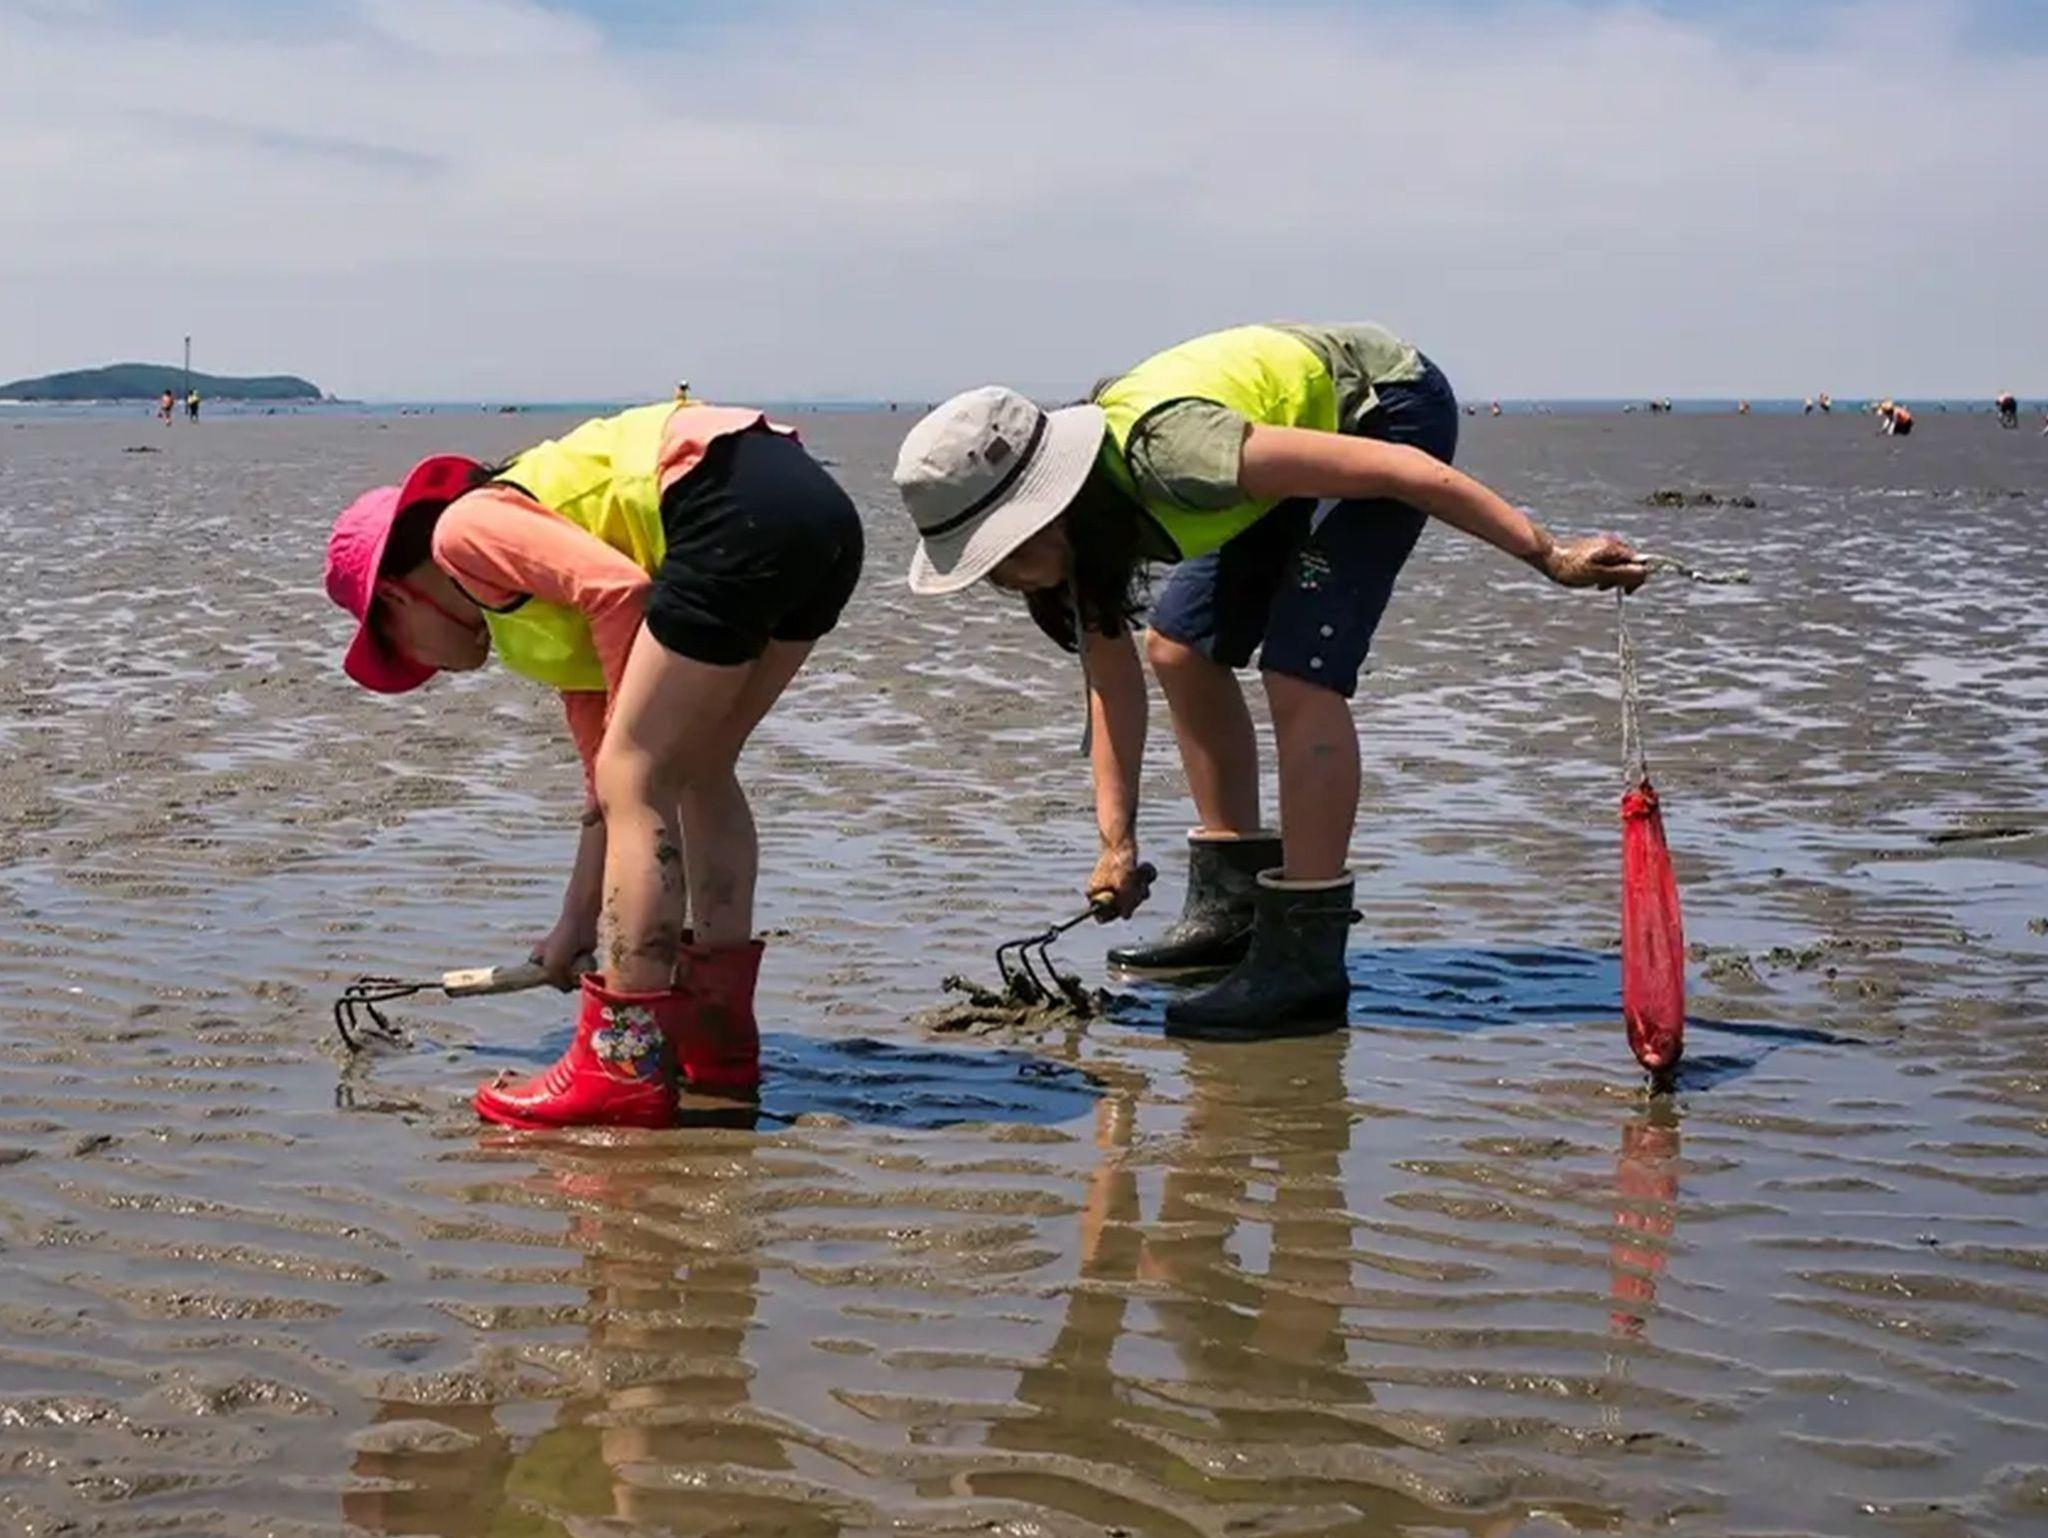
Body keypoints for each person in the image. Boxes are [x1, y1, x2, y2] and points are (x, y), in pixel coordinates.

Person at [891, 322, 1646, 1040]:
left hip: (1384, 411)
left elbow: (1405, 474)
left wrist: (1548, 554)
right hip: (1273, 453)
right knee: (1178, 648)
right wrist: (1117, 845)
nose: (1005, 581)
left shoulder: (1173, 457)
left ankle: (1302, 963)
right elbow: (1113, 691)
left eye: (1001, 556)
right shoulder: (1087, 531)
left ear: (1045, 511)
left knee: (1299, 668)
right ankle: (1232, 911)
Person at [323, 400, 863, 1127]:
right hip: (814, 514)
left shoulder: (464, 530)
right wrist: (572, 927)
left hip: (726, 496)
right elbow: (602, 802)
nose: (428, 669)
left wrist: (628, 759)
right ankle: (718, 1041)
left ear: (396, 595)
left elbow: (619, 593)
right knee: (697, 768)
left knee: (641, 772)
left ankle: (620, 1062)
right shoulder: (539, 608)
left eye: (396, 644)